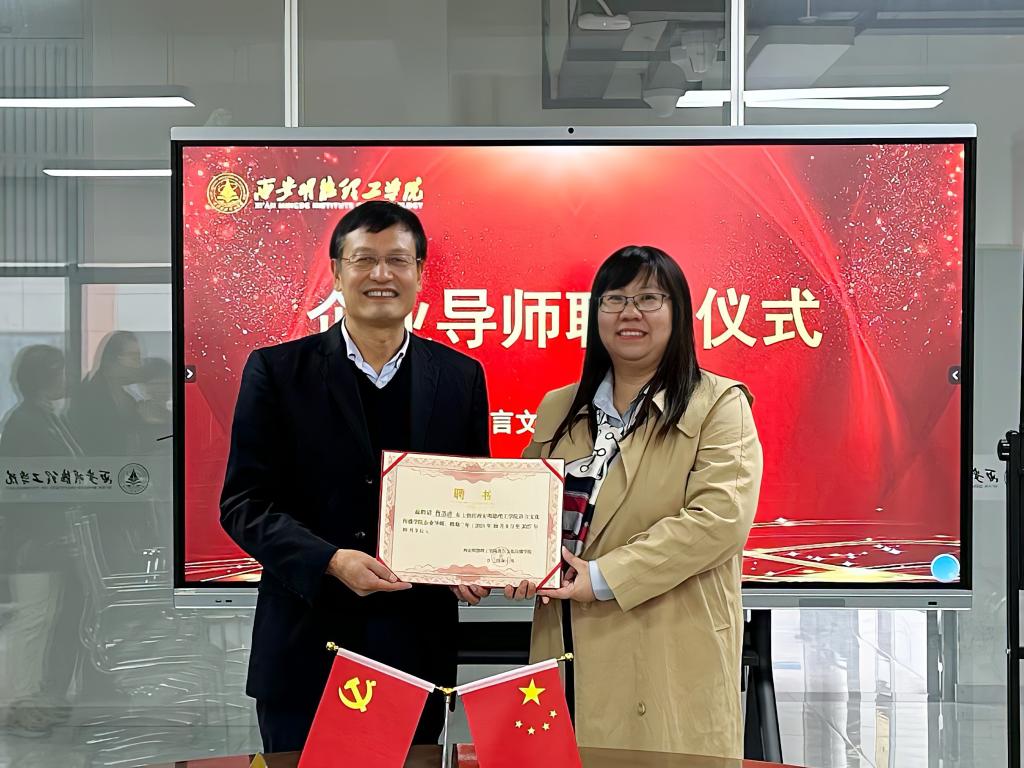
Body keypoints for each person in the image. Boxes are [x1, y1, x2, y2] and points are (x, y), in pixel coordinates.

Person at [220, 201, 490, 753]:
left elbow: (472, 495)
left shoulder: (460, 377)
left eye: (398, 260)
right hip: (305, 644)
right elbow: (244, 503)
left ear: (420, 273)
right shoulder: (277, 370)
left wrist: (473, 560)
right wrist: (329, 560)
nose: (381, 274)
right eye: (364, 259)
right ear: (337, 272)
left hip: (416, 648)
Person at [510, 245, 762, 758]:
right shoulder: (560, 407)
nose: (630, 312)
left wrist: (603, 577)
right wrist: (487, 560)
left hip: (668, 651)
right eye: (615, 299)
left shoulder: (719, 404)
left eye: (649, 298)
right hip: (566, 649)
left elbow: (718, 520)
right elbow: (521, 511)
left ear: (677, 312)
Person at [0, 345, 82, 737]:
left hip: (47, 538)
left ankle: (30, 698)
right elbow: (18, 488)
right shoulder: (25, 422)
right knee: (31, 620)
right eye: (59, 372)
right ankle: (15, 704)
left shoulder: (47, 417)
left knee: (44, 619)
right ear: (42, 378)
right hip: (30, 542)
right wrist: (36, 535)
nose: (65, 378)